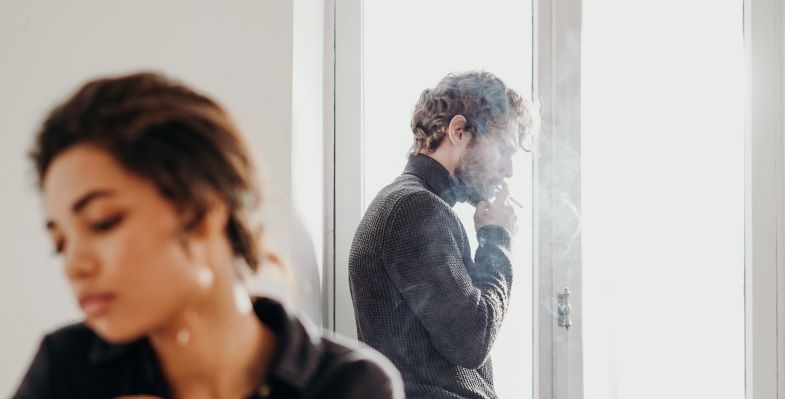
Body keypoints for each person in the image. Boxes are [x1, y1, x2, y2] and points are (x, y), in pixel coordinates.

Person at [14, 72, 403, 399]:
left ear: (202, 214)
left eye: (103, 222)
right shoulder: (64, 365)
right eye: (59, 243)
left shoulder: (353, 384)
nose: (74, 265)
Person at [348, 71, 537, 398]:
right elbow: (470, 340)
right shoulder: (414, 208)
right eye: (503, 150)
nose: (509, 170)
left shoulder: (415, 205)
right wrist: (496, 241)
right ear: (458, 131)